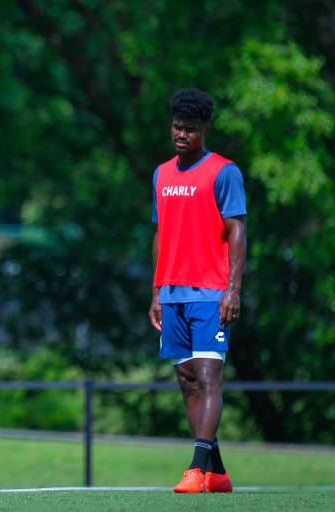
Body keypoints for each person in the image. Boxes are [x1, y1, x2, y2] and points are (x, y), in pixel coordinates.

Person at [148, 89, 246, 494]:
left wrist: (233, 290)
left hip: (210, 291)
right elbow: (159, 234)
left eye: (189, 128)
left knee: (208, 376)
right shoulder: (161, 174)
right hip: (172, 293)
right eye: (177, 127)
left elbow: (237, 231)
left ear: (204, 129)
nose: (181, 134)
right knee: (187, 382)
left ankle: (195, 468)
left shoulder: (224, 172)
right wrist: (156, 291)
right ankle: (217, 473)